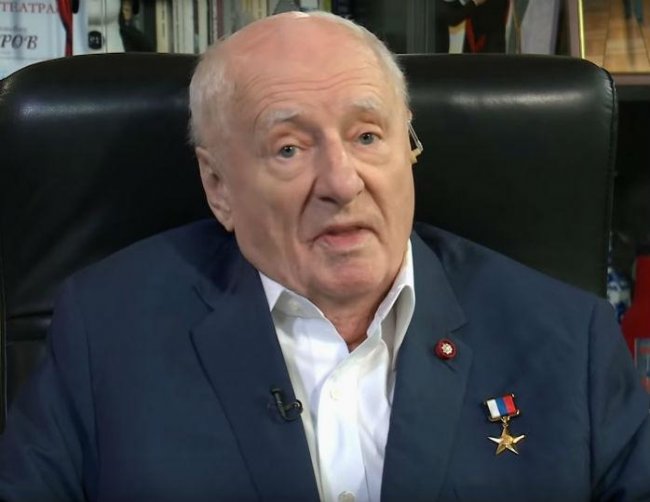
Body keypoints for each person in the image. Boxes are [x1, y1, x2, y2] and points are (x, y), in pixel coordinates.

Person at [0, 10, 649, 502]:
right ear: (218, 187)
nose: (342, 182)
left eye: (367, 136)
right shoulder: (106, 330)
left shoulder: (570, 341)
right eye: (289, 148)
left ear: (409, 151)